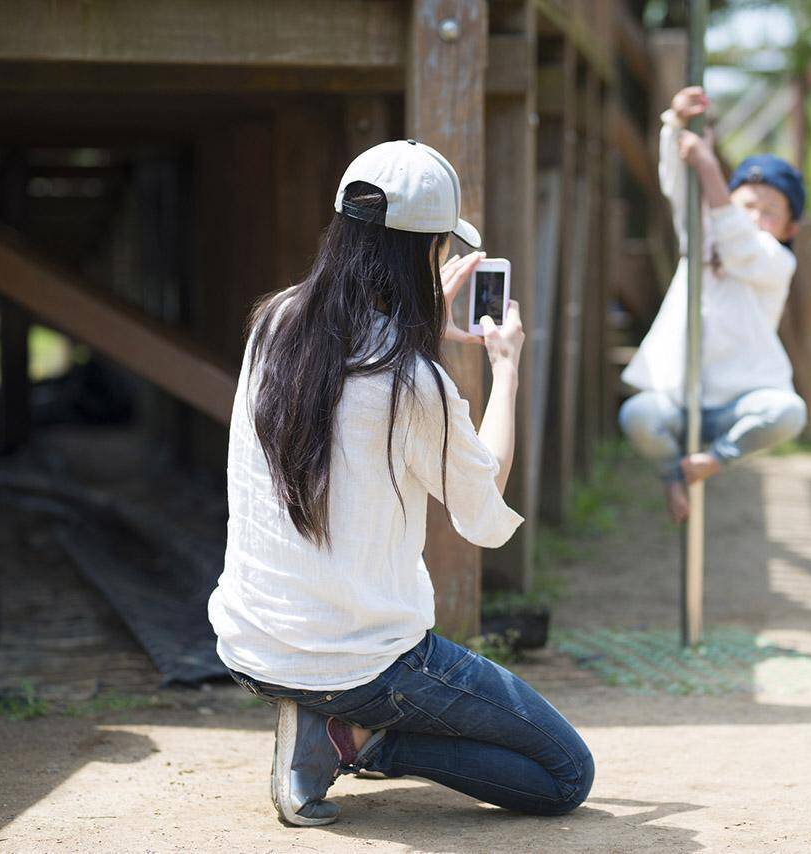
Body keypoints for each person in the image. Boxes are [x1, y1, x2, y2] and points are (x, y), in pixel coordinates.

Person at [207, 139, 594, 826]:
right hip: (364, 661)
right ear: (426, 254)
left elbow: (350, 376)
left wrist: (417, 331)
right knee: (564, 775)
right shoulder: (415, 384)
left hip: (251, 643)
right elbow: (484, 505)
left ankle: (328, 724)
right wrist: (505, 369)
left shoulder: (274, 324)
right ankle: (355, 735)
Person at [619, 86, 809, 523]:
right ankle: (674, 475)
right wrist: (675, 125)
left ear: (788, 228)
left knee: (787, 412)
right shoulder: (702, 239)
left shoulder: (774, 261)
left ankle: (716, 458)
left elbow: (739, 243)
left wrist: (708, 167)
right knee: (638, 414)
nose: (754, 218)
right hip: (679, 398)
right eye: (747, 205)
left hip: (737, 403)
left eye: (769, 212)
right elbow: (679, 188)